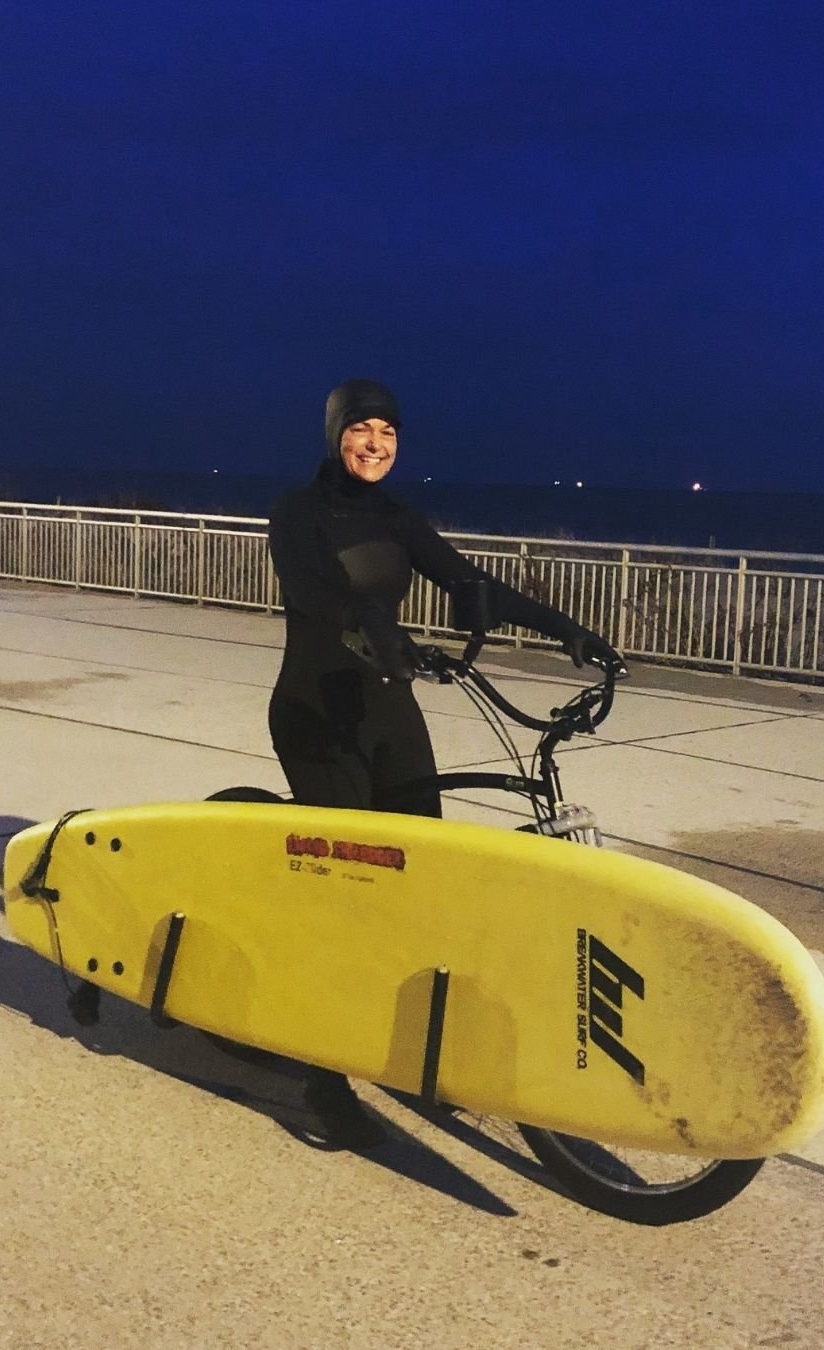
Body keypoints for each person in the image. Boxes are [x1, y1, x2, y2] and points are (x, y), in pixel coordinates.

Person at [268, 378, 621, 1147]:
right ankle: (322, 1077)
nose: (376, 444)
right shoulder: (298, 511)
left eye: (388, 433)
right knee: (349, 896)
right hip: (317, 713)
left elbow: (468, 579)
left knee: (423, 884)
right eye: (361, 430)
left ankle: (411, 1046)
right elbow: (314, 591)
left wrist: (567, 630)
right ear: (335, 436)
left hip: (387, 706)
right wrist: (370, 626)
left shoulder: (397, 516)